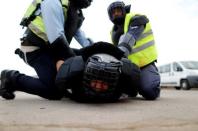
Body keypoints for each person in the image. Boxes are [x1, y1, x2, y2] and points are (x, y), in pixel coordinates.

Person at [0, 0, 93, 100]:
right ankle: (11, 77)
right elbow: (56, 38)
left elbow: (82, 38)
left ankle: (56, 81)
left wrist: (97, 52)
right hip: (34, 50)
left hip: (53, 50)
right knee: (53, 91)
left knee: (81, 61)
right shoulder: (52, 2)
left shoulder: (74, 11)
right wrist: (75, 63)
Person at [107, 1, 160, 100]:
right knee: (117, 91)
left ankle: (151, 77)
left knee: (150, 91)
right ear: (110, 16)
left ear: (124, 11)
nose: (116, 14)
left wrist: (119, 56)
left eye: (118, 11)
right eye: (113, 12)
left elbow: (129, 38)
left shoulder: (136, 19)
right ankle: (133, 88)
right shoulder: (112, 32)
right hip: (129, 67)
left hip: (145, 64)